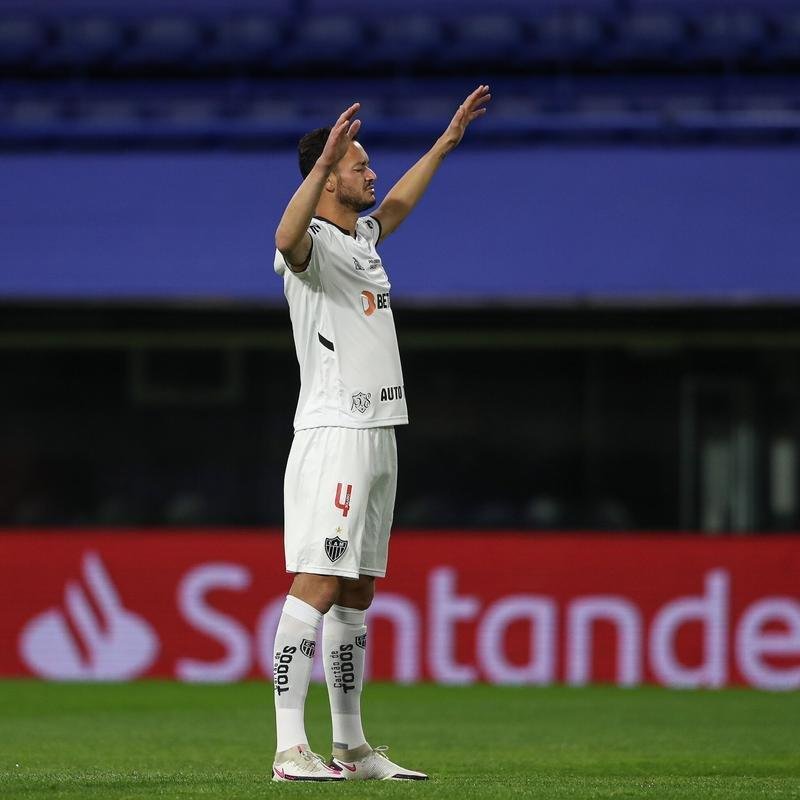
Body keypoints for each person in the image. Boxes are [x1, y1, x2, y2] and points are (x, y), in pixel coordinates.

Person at [271, 85, 491, 782]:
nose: (370, 174)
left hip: (380, 431)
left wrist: (444, 145)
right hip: (336, 431)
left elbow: (394, 207)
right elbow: (284, 237)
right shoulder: (310, 250)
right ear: (328, 174)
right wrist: (317, 167)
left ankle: (352, 748)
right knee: (320, 580)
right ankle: (287, 750)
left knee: (359, 589)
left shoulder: (360, 240)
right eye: (358, 165)